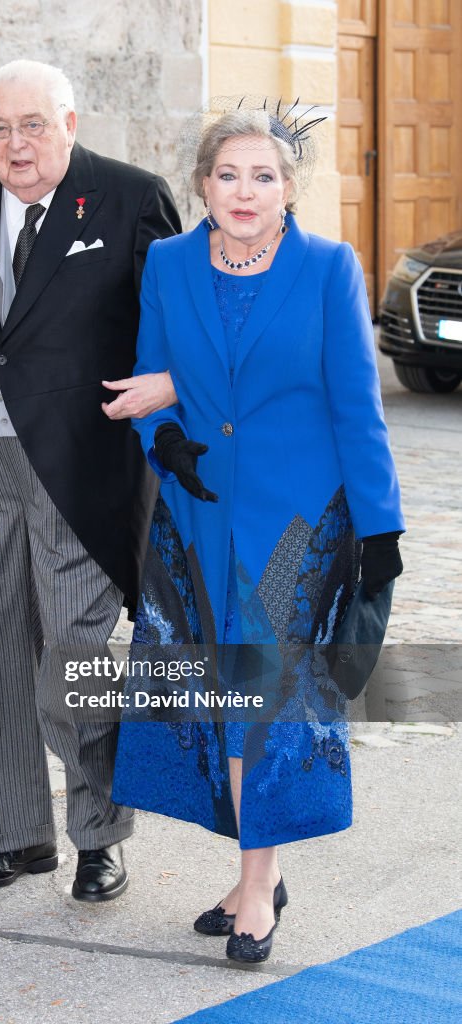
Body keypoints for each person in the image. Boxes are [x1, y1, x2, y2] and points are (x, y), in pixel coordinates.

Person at [111, 98, 405, 959]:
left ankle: (254, 896)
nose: (244, 191)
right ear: (202, 184)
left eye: (263, 176)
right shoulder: (168, 264)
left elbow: (357, 406)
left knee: (260, 697)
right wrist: (163, 441)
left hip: (296, 521)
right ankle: (259, 874)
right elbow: (149, 376)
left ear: (287, 187)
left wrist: (378, 528)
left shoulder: (326, 268)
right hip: (198, 516)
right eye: (227, 174)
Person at [0, 59, 180, 901]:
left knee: (76, 656)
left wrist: (169, 407)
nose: (13, 145)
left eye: (30, 126)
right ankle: (20, 834)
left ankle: (98, 834)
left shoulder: (131, 198)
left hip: (82, 459)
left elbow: (167, 323)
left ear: (68, 120)